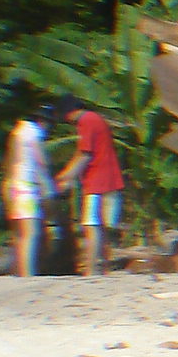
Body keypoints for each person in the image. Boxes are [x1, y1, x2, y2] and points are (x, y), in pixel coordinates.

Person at [51, 95, 123, 277]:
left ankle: (90, 269)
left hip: (97, 180)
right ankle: (105, 267)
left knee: (91, 225)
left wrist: (65, 176)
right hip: (110, 178)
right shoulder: (97, 119)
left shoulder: (86, 121)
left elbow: (85, 154)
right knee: (104, 226)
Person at [2, 107, 52, 277]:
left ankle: (16, 271)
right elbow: (41, 162)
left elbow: (10, 162)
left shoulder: (18, 132)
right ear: (42, 121)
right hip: (27, 186)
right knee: (31, 233)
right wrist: (47, 187)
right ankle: (27, 274)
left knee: (18, 234)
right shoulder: (34, 133)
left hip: (13, 185)